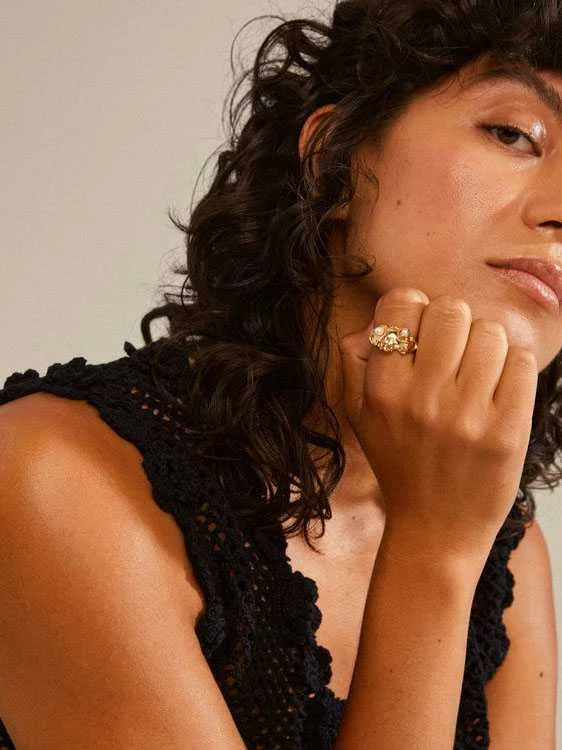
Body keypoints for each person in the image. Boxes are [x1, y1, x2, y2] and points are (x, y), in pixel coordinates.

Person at [0, 0, 559, 747]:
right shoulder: (53, 475)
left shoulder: (503, 547)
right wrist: (433, 553)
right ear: (334, 158)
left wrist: (450, 542)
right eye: (514, 134)